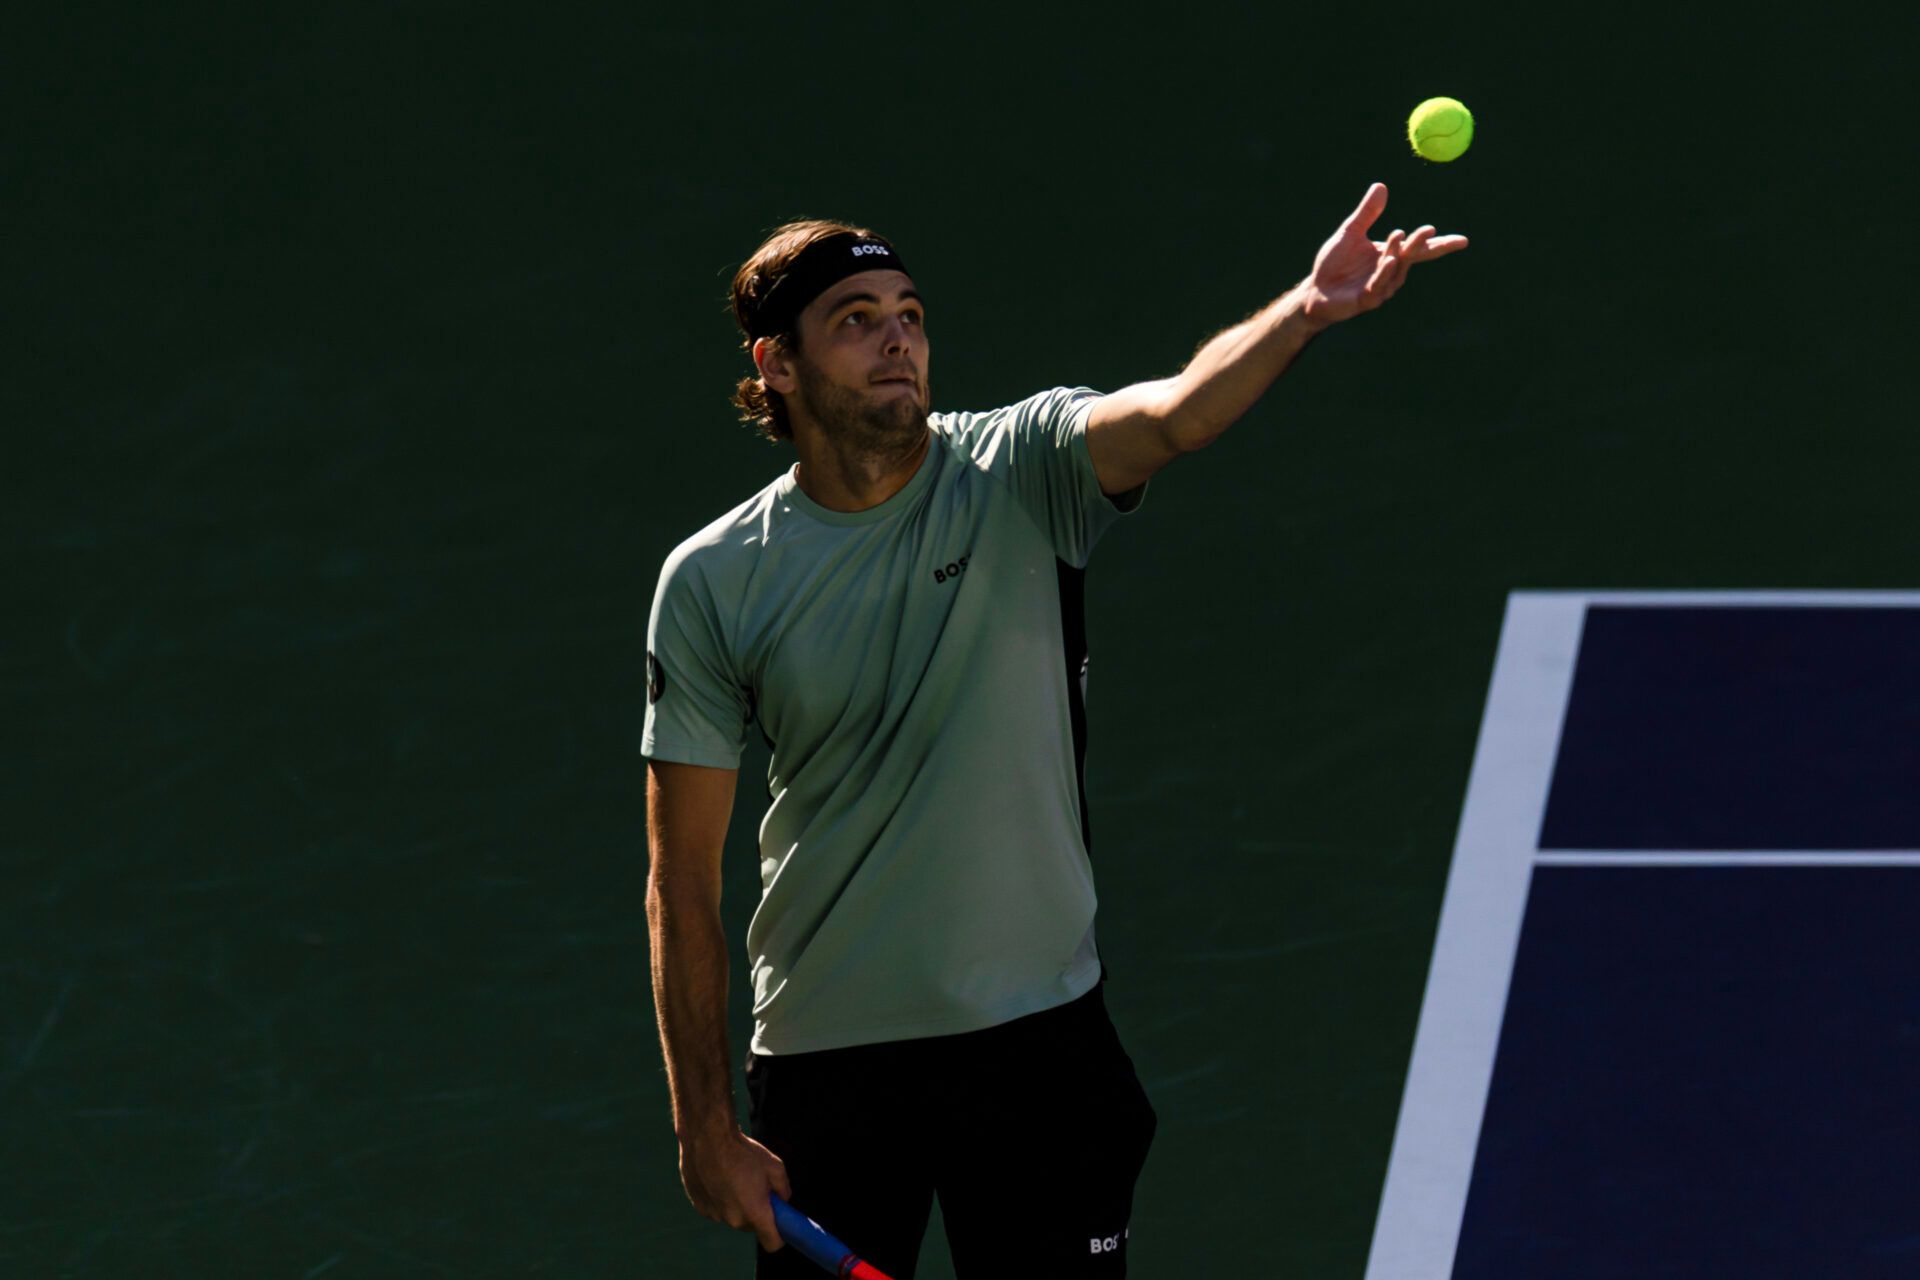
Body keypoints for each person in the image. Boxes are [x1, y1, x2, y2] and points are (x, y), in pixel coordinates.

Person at [644, 184, 1467, 1277]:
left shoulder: (1022, 466)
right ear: (777, 365)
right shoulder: (712, 580)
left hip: (1039, 1047)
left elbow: (1177, 413)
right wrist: (704, 1125)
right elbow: (679, 878)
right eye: (855, 318)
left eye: (911, 312)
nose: (898, 337)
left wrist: (1307, 311)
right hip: (826, 1064)